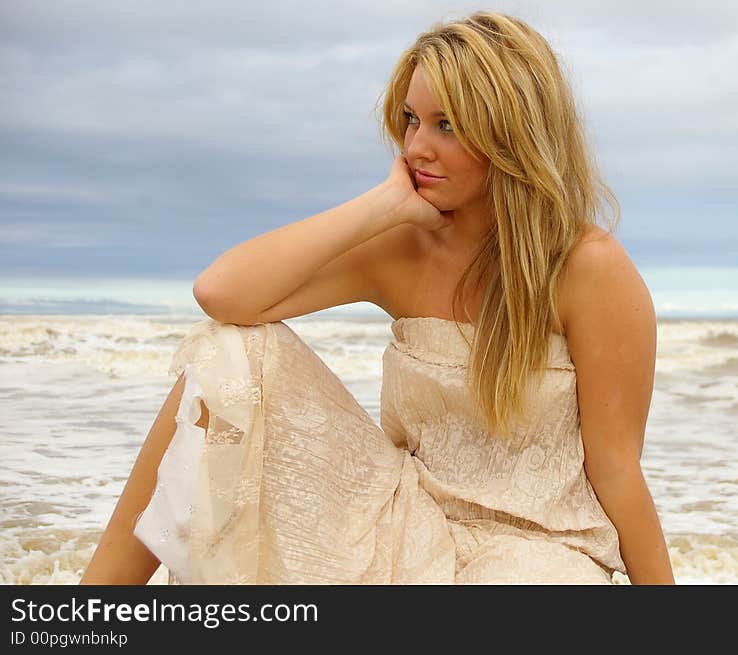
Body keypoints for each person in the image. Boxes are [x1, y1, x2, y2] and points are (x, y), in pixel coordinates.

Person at [80, 10, 674, 585]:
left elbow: (618, 469)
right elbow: (223, 294)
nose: (417, 147)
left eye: (448, 125)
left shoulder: (587, 268)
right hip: (405, 526)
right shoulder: (401, 245)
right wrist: (380, 207)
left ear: (512, 133)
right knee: (228, 359)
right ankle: (87, 617)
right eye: (412, 121)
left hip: (539, 551)